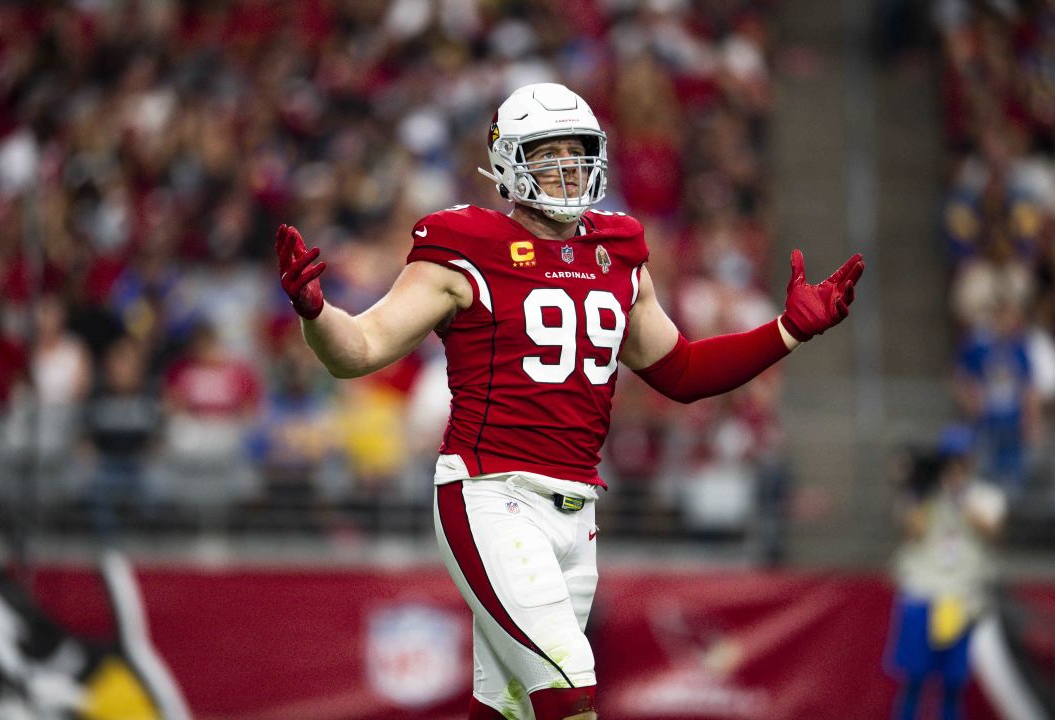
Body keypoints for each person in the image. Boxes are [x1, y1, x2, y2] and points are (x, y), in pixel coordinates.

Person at [275, 83, 864, 720]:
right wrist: (317, 313)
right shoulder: (462, 244)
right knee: (569, 687)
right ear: (507, 163)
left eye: (577, 151)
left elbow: (682, 370)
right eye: (547, 152)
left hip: (577, 511)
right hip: (491, 494)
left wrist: (786, 331)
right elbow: (359, 349)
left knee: (509, 709)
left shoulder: (620, 248)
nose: (566, 168)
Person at [885, 426, 1008, 720]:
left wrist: (961, 497)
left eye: (963, 458)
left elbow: (995, 532)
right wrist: (918, 489)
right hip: (922, 594)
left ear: (972, 460)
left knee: (953, 684)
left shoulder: (985, 495)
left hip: (962, 599)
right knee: (913, 680)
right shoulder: (924, 494)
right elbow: (911, 532)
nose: (957, 465)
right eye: (952, 458)